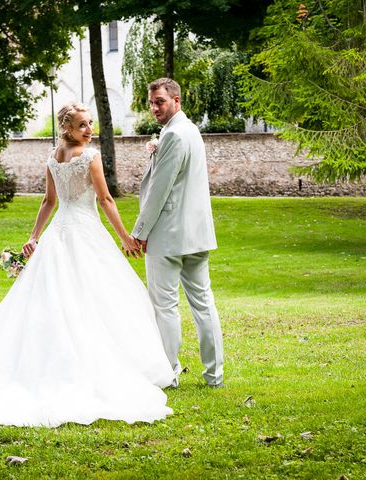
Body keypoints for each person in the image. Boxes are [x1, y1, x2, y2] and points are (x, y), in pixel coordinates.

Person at [0, 102, 174, 427]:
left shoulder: (53, 157)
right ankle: (93, 367)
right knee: (96, 298)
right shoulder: (89, 157)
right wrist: (125, 237)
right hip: (84, 233)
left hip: (59, 232)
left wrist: (35, 236)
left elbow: (50, 202)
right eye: (82, 125)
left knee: (63, 298)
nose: (89, 130)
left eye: (90, 123)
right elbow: (105, 200)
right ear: (67, 128)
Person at [131, 78, 224, 388]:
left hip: (169, 236)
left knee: (165, 306)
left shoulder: (173, 136)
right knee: (203, 304)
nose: (155, 108)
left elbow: (159, 190)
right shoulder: (191, 131)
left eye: (160, 101)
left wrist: (140, 232)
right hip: (197, 234)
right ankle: (214, 375)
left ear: (176, 100)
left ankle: (168, 373)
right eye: (152, 103)